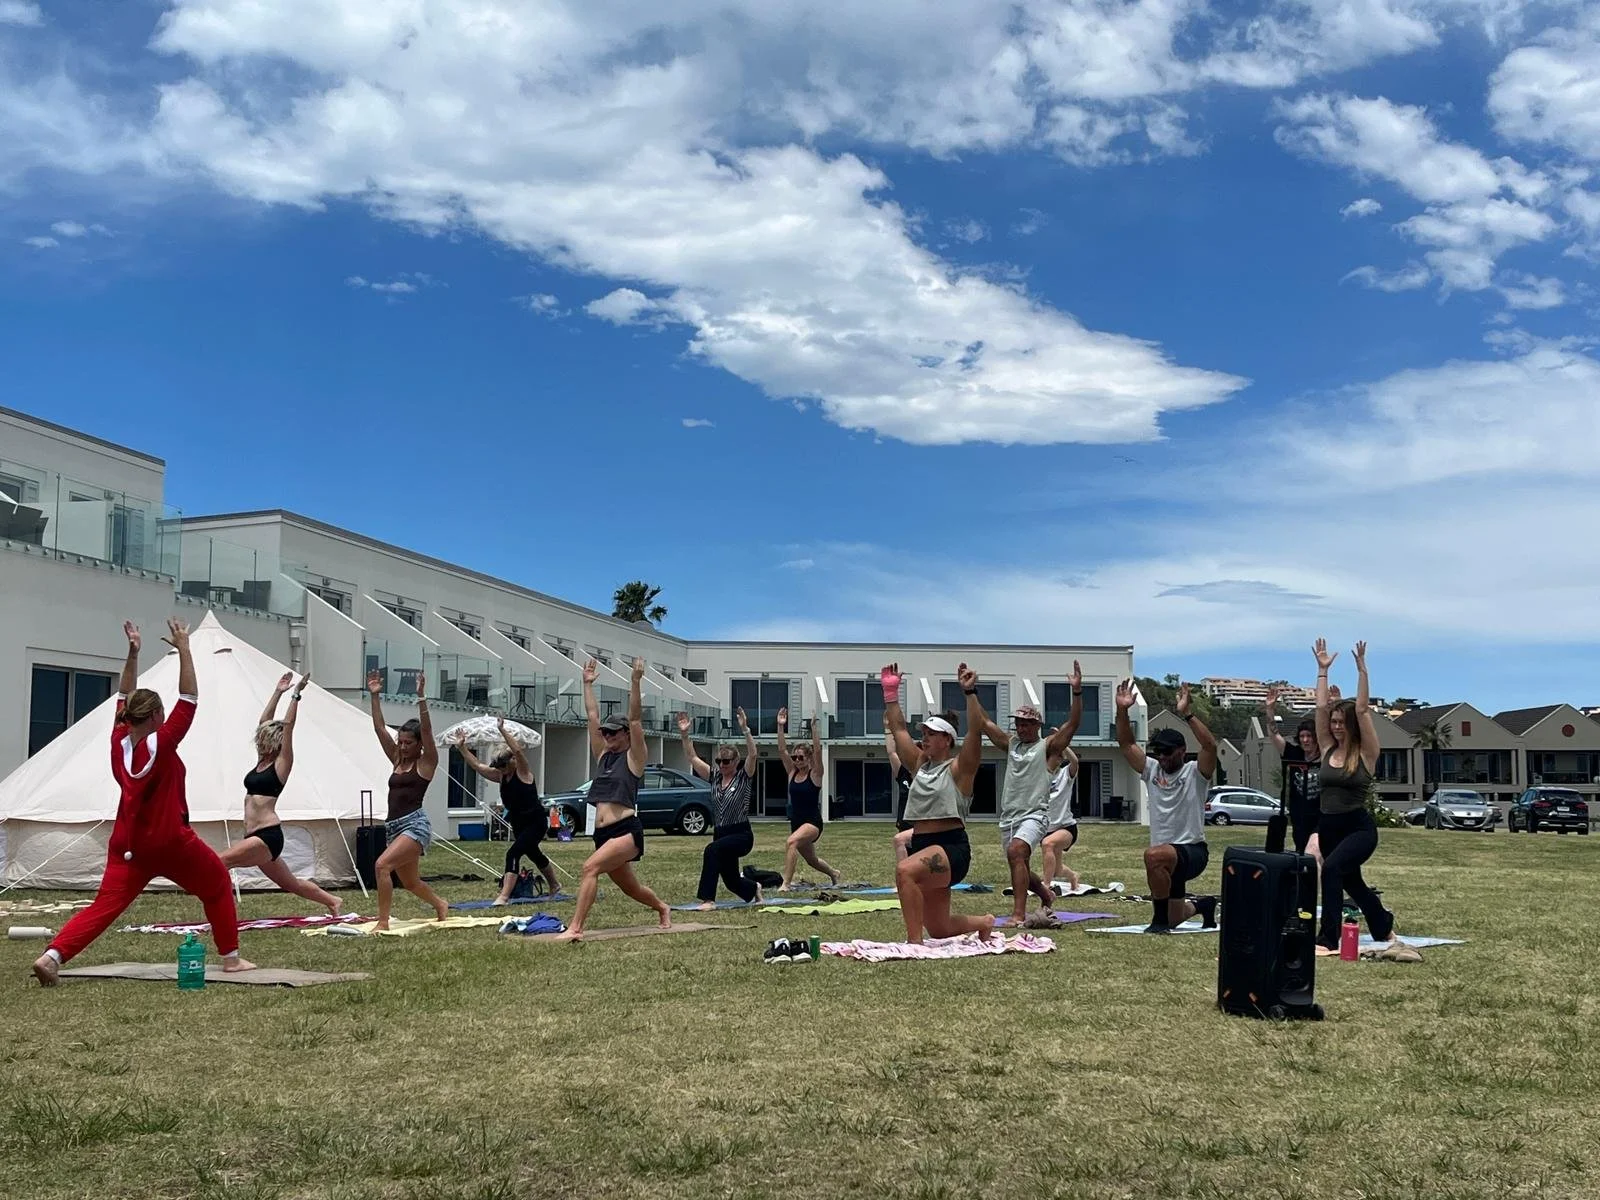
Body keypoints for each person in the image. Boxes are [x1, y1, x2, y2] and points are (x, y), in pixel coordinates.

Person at [33, 619, 256, 986]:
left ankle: (52, 956)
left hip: (127, 843)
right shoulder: (163, 744)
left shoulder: (118, 740)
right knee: (216, 881)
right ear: (155, 716)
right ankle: (231, 959)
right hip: (170, 841)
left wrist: (133, 654)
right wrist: (185, 648)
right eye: (160, 712)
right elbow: (190, 698)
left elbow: (123, 695)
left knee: (104, 906)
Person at [555, 658, 671, 941]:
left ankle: (576, 928)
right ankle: (663, 907)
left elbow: (634, 719)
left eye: (612, 732)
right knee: (630, 888)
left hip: (626, 831)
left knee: (589, 868)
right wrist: (586, 684)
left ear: (626, 735)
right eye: (604, 733)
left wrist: (635, 682)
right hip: (602, 833)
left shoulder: (634, 758)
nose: (605, 735)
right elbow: (592, 716)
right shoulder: (604, 756)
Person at [885, 662, 997, 945]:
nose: (924, 737)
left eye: (931, 734)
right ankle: (984, 923)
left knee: (904, 871)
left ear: (947, 739)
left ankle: (914, 944)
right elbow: (898, 729)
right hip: (925, 846)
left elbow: (975, 731)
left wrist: (970, 692)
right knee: (940, 927)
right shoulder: (919, 766)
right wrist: (890, 692)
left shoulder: (959, 770)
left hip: (951, 848)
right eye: (924, 733)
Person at [220, 670, 342, 915]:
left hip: (267, 836)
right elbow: (264, 721)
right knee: (289, 884)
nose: (260, 741)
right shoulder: (261, 762)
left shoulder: (281, 763)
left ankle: (223, 913)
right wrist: (278, 692)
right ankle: (332, 901)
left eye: (265, 739)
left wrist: (295, 696)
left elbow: (288, 727)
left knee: (220, 862)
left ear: (274, 742)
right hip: (254, 836)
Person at [975, 664, 1083, 924]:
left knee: (1016, 853)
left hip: (1034, 815)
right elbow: (984, 723)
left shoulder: (1047, 747)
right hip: (1008, 817)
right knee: (1017, 861)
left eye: (1026, 724)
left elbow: (1073, 725)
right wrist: (970, 692)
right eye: (1018, 724)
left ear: (1037, 725)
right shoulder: (1011, 744)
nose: (1021, 728)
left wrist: (1077, 693)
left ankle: (1018, 914)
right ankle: (1045, 893)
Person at [1312, 639, 1395, 955]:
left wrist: (1362, 670)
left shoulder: (1367, 754)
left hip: (1358, 828)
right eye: (1332, 722)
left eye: (1339, 722)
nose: (1334, 727)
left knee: (1331, 871)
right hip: (1329, 827)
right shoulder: (1326, 748)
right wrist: (1322, 672)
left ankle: (1328, 938)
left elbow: (1361, 709)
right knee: (1352, 883)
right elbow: (1320, 707)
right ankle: (1382, 923)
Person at [1114, 679, 1217, 934]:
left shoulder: (1195, 773)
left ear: (1182, 751)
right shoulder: (1152, 770)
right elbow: (1126, 744)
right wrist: (1123, 710)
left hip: (1192, 851)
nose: (1161, 757)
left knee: (1153, 855)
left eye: (1167, 753)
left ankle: (1158, 924)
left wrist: (1188, 714)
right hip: (1166, 859)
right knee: (1176, 916)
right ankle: (1202, 906)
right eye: (1158, 752)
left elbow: (1210, 746)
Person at [366, 669, 450, 930]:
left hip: (415, 826)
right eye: (400, 742)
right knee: (411, 883)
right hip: (394, 827)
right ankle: (440, 904)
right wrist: (375, 696)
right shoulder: (397, 759)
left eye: (407, 743)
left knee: (382, 866)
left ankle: (383, 922)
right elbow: (379, 728)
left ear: (418, 745)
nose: (402, 746)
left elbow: (427, 730)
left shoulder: (426, 762)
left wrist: (421, 697)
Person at [458, 718, 560, 905]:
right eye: (498, 767)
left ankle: (503, 896)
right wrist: (462, 748)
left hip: (535, 822)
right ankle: (554, 885)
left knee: (513, 853)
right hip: (519, 823)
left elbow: (518, 751)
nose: (500, 770)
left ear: (511, 762)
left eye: (503, 766)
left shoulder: (523, 773)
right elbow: (477, 766)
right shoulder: (502, 776)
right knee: (534, 854)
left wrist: (502, 730)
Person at [679, 708, 762, 910]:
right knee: (732, 881)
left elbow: (753, 754)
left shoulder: (743, 777)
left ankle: (708, 900)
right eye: (719, 761)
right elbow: (692, 757)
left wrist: (745, 730)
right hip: (721, 832)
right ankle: (754, 888)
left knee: (711, 850)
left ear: (736, 762)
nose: (722, 765)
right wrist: (684, 734)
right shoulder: (714, 777)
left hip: (741, 834)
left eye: (726, 761)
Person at [776, 706, 839, 889]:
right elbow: (781, 750)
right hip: (796, 821)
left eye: (800, 757)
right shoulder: (792, 773)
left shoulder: (816, 774)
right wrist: (781, 726)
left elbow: (818, 752)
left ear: (808, 758)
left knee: (791, 842)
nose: (797, 760)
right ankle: (834, 873)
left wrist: (814, 729)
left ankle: (785, 884)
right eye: (795, 757)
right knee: (812, 860)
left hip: (812, 823)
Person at [1262, 686, 1322, 858]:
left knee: (1319, 849)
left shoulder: (1326, 756)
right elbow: (1274, 736)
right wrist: (1270, 710)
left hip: (1321, 814)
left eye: (1309, 736)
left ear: (1317, 738)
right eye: (1302, 736)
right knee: (1302, 851)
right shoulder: (1294, 754)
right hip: (1299, 814)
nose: (1305, 740)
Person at [1040, 743, 1082, 894]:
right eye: (1054, 756)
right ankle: (1073, 876)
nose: (1057, 760)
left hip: (1066, 827)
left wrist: (1062, 743)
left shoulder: (1065, 774)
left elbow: (1075, 762)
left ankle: (1046, 886)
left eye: (1060, 757)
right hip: (1046, 828)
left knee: (1047, 844)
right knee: (1056, 870)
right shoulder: (1040, 776)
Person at [887, 713, 915, 863]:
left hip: (922, 827)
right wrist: (887, 728)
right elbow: (892, 752)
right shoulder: (903, 774)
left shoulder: (927, 776)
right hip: (904, 825)